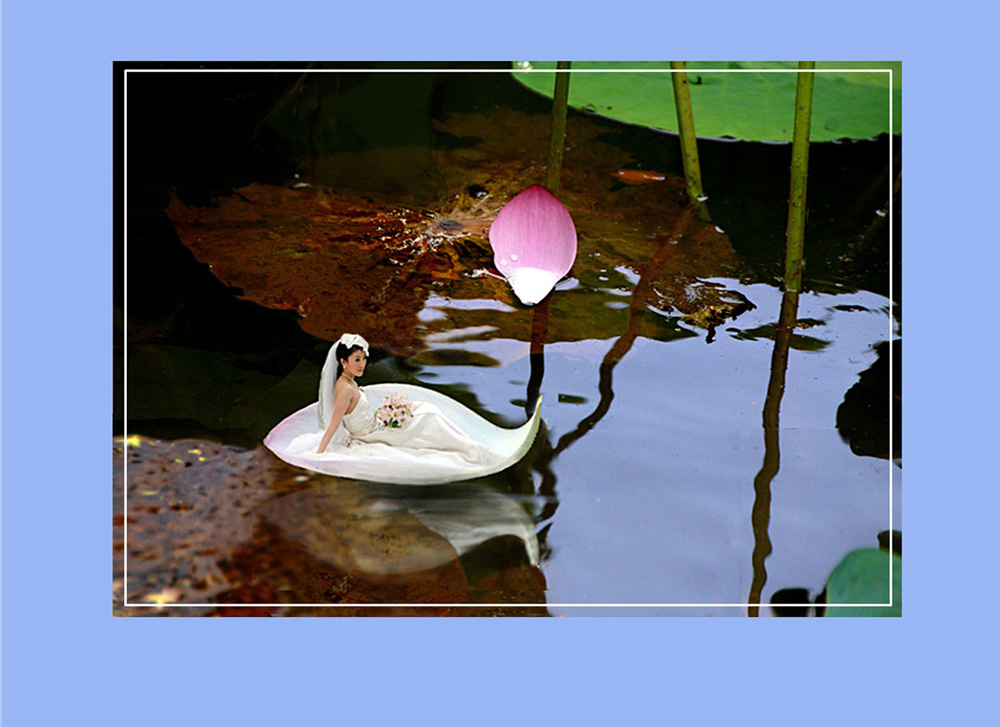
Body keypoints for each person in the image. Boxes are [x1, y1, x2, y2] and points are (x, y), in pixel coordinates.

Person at [309, 334, 500, 466]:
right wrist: (320, 451)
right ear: (343, 362)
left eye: (363, 359)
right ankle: (471, 451)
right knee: (428, 417)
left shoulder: (349, 382)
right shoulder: (344, 388)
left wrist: (390, 412)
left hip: (376, 424)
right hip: (370, 435)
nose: (362, 365)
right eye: (356, 359)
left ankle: (470, 446)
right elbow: (335, 422)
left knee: (424, 410)